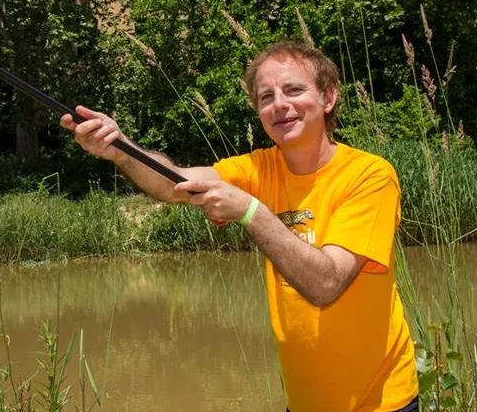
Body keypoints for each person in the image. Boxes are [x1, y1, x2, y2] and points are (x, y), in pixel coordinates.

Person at [60, 41, 419, 412]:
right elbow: (173, 182)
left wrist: (251, 212)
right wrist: (120, 149)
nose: (279, 104)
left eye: (293, 90)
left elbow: (326, 284)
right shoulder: (258, 168)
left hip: (381, 403)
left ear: (328, 98)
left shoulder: (369, 176)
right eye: (266, 96)